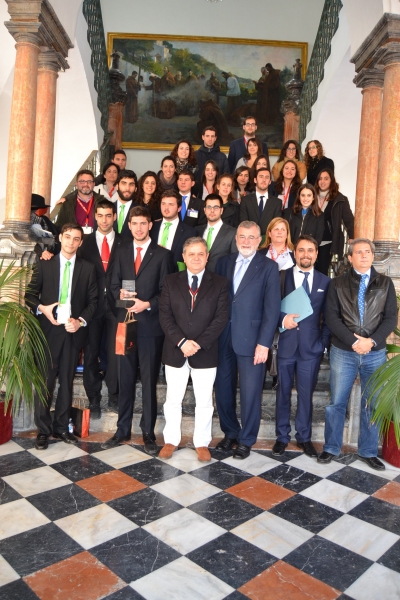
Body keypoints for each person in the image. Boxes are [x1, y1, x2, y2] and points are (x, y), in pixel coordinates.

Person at [319, 239, 398, 470]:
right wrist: (354, 341)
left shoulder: (385, 284)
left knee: (372, 402)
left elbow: (391, 318)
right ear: (350, 257)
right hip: (344, 351)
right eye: (358, 252)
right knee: (336, 402)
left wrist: (371, 341)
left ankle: (368, 451)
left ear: (373, 256)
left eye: (367, 252)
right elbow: (331, 318)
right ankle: (331, 447)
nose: (363, 255)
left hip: (375, 352)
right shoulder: (337, 283)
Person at [102, 206, 174, 453]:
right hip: (125, 324)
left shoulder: (163, 255)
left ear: (150, 225)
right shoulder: (120, 252)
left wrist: (148, 304)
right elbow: (111, 287)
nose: (140, 227)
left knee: (149, 381)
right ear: (129, 225)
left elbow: (167, 293)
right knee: (125, 379)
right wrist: (120, 296)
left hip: (151, 328)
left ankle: (148, 433)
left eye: (144, 223)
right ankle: (122, 430)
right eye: (135, 223)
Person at [25, 223, 98, 450]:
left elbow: (94, 302)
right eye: (67, 237)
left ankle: (61, 427)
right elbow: (29, 295)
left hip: (72, 332)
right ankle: (43, 431)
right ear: (60, 237)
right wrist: (42, 308)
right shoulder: (45, 264)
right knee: (45, 383)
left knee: (66, 382)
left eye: (76, 239)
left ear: (80, 242)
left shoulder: (88, 268)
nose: (71, 242)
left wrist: (80, 321)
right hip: (47, 332)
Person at [158, 238, 229, 461]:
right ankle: (171, 440)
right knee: (172, 399)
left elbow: (220, 319)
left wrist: (197, 343)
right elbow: (165, 315)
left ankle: (202, 442)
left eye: (201, 254)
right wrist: (182, 342)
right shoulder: (171, 281)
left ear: (207, 257)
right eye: (191, 254)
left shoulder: (219, 283)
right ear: (183, 256)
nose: (196, 258)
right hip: (175, 350)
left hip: (205, 351)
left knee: (205, 401)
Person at [214, 221, 281, 458]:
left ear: (260, 239)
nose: (246, 242)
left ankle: (246, 439)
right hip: (223, 337)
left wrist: (264, 343)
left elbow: (272, 309)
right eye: (242, 237)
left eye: (251, 238)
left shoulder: (269, 267)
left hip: (253, 340)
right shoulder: (223, 263)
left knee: (251, 391)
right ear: (236, 238)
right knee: (223, 388)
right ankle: (230, 432)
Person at [272, 235, 331, 457]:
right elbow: (269, 308)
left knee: (306, 395)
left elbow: (329, 317)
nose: (305, 254)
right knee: (283, 393)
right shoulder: (280, 277)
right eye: (301, 250)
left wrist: (323, 343)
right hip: (285, 346)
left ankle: (304, 437)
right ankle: (281, 437)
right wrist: (281, 319)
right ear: (294, 253)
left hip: (311, 350)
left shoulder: (326, 282)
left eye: (310, 250)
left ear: (316, 254)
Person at [79, 200, 123, 417]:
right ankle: (93, 398)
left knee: (116, 353)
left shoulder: (125, 242)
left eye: (108, 215)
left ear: (114, 217)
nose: (104, 220)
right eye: (101, 215)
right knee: (91, 354)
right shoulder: (84, 243)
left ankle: (114, 395)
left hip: (117, 306)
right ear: (95, 217)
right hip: (92, 306)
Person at [314, 169, 354, 275]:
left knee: (322, 273)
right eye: (320, 179)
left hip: (328, 242)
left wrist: (352, 236)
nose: (322, 181)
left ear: (331, 180)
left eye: (326, 179)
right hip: (311, 241)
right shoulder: (310, 196)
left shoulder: (340, 199)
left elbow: (349, 220)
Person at [150, 190, 196, 269]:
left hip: (175, 275)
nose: (166, 208)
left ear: (179, 208)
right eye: (163, 204)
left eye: (171, 204)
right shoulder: (151, 227)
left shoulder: (190, 232)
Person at [195, 194, 237, 272]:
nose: (212, 210)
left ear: (221, 210)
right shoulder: (197, 231)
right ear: (204, 210)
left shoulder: (232, 233)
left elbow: (234, 260)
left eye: (216, 207)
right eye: (209, 207)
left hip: (221, 278)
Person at [239, 168, 282, 234]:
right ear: (255, 180)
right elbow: (243, 223)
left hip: (268, 240)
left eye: (267, 177)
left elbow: (276, 225)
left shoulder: (277, 202)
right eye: (261, 177)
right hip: (250, 239)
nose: (264, 180)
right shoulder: (245, 200)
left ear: (270, 181)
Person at [113, 169, 138, 241]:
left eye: (131, 184)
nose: (127, 188)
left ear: (136, 188)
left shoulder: (142, 211)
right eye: (124, 183)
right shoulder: (108, 209)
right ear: (117, 186)